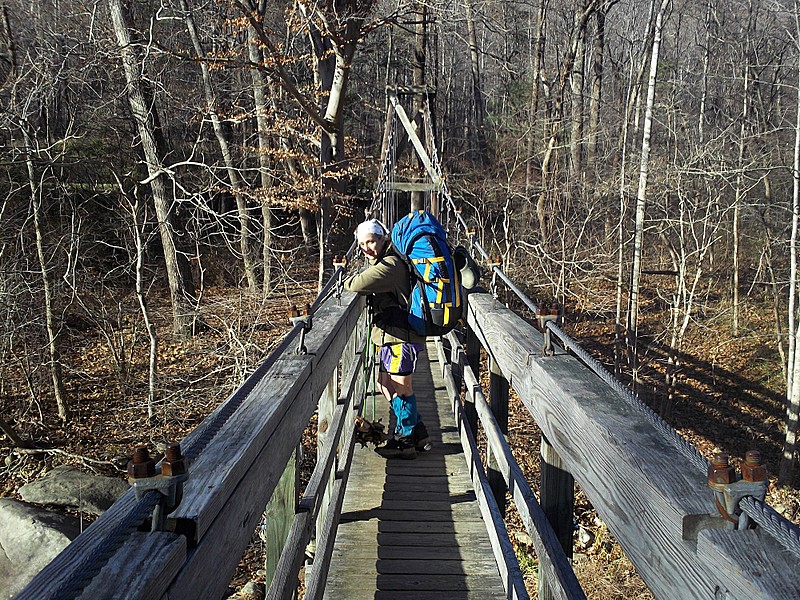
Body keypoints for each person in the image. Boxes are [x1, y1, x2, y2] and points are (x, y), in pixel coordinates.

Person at [344, 218, 432, 459]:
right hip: (388, 336)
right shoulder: (383, 262)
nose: (366, 248)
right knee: (385, 385)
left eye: (371, 241)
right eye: (362, 244)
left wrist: (343, 278)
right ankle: (418, 432)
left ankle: (405, 442)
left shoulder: (391, 265)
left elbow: (356, 284)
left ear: (383, 238)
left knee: (403, 389)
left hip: (400, 337)